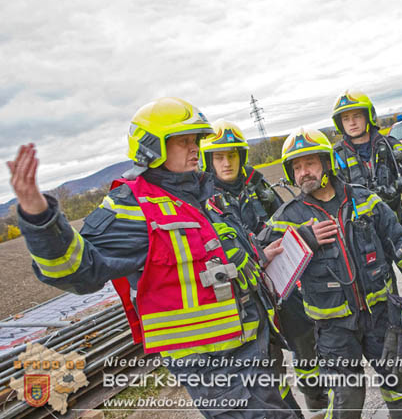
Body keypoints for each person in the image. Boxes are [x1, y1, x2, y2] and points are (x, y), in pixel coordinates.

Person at [7, 97, 297, 419]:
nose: (194, 148)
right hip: (215, 366)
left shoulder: (201, 192)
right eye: (182, 141)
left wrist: (256, 255)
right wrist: (39, 218)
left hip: (252, 343)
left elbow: (211, 255)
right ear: (151, 147)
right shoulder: (133, 207)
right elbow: (78, 271)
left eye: (195, 140)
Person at [257, 128, 402, 419]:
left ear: (327, 163)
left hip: (380, 315)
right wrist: (301, 239)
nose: (304, 172)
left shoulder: (364, 200)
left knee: (399, 379)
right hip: (333, 328)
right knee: (347, 396)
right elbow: (262, 267)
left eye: (310, 163)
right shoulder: (285, 219)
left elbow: (401, 249)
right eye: (297, 166)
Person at [200, 120, 327, 414]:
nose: (227, 162)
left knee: (305, 339)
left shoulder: (256, 183)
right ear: (208, 160)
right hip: (245, 293)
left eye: (232, 155)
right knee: (268, 360)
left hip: (282, 279)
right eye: (219, 157)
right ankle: (287, 409)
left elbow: (284, 218)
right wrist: (258, 251)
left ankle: (317, 399)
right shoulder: (202, 200)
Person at [331, 89, 402, 230]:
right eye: (346, 119)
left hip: (399, 226)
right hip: (363, 235)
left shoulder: (390, 145)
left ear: (368, 115)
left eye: (356, 116)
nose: (351, 123)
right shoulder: (336, 156)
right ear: (340, 123)